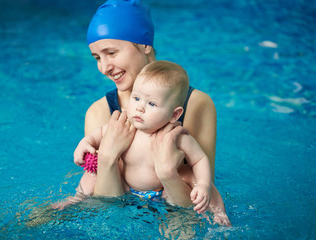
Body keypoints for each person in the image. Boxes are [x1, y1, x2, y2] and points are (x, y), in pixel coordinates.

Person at [59, 0, 230, 225]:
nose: (104, 68)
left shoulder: (197, 104)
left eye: (111, 52)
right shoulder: (99, 111)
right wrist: (109, 158)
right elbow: (104, 209)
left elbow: (198, 202)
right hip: (117, 216)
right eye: (97, 58)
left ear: (144, 44)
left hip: (176, 208)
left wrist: (167, 172)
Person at [57, 60, 214, 214]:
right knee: (91, 175)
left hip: (161, 191)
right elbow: (98, 134)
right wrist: (85, 143)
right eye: (136, 98)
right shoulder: (126, 125)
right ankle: (76, 199)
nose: (139, 108)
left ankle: (216, 212)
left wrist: (203, 185)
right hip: (125, 187)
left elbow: (199, 159)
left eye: (151, 104)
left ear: (174, 114)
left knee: (196, 182)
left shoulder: (176, 137)